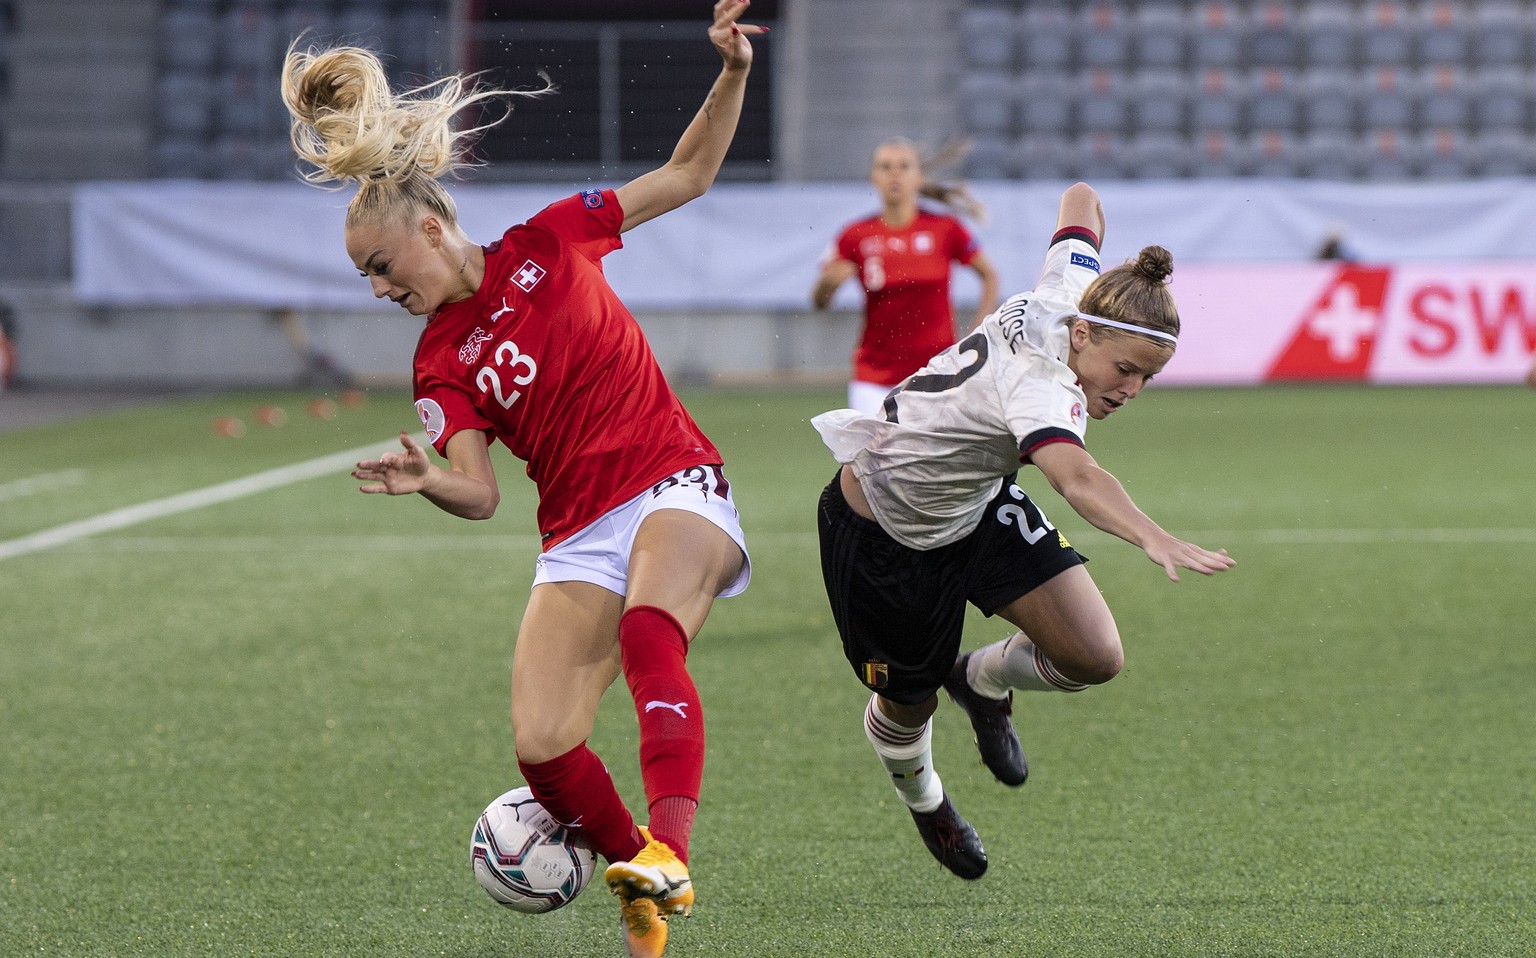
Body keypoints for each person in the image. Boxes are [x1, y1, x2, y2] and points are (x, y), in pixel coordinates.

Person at [281, 3, 764, 955]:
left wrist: (734, 72)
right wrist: (428, 479)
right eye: (366, 279)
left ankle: (671, 847)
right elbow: (482, 491)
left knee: (649, 633)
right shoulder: (439, 363)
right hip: (579, 532)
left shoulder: (551, 239)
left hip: (673, 480)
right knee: (543, 744)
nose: (379, 289)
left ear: (429, 225)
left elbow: (687, 175)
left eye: (381, 266)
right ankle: (638, 883)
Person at [812, 181, 1235, 879]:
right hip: (887, 526)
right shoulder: (1043, 384)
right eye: (1125, 369)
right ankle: (928, 802)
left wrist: (1126, 272)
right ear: (1081, 335)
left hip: (973, 505)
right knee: (906, 704)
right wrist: (1151, 535)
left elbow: (1081, 197)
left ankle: (978, 680)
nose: (1130, 390)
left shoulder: (1074, 292)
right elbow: (1076, 479)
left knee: (1095, 655)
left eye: (1147, 379)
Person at [811, 138, 1000, 415]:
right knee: (870, 457)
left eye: (904, 166)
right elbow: (819, 302)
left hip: (937, 372)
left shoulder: (945, 229)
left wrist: (979, 328)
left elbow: (989, 276)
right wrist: (828, 284)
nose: (895, 174)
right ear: (873, 178)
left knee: (935, 457)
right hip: (874, 377)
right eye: (885, 167)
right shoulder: (855, 235)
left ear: (918, 177)